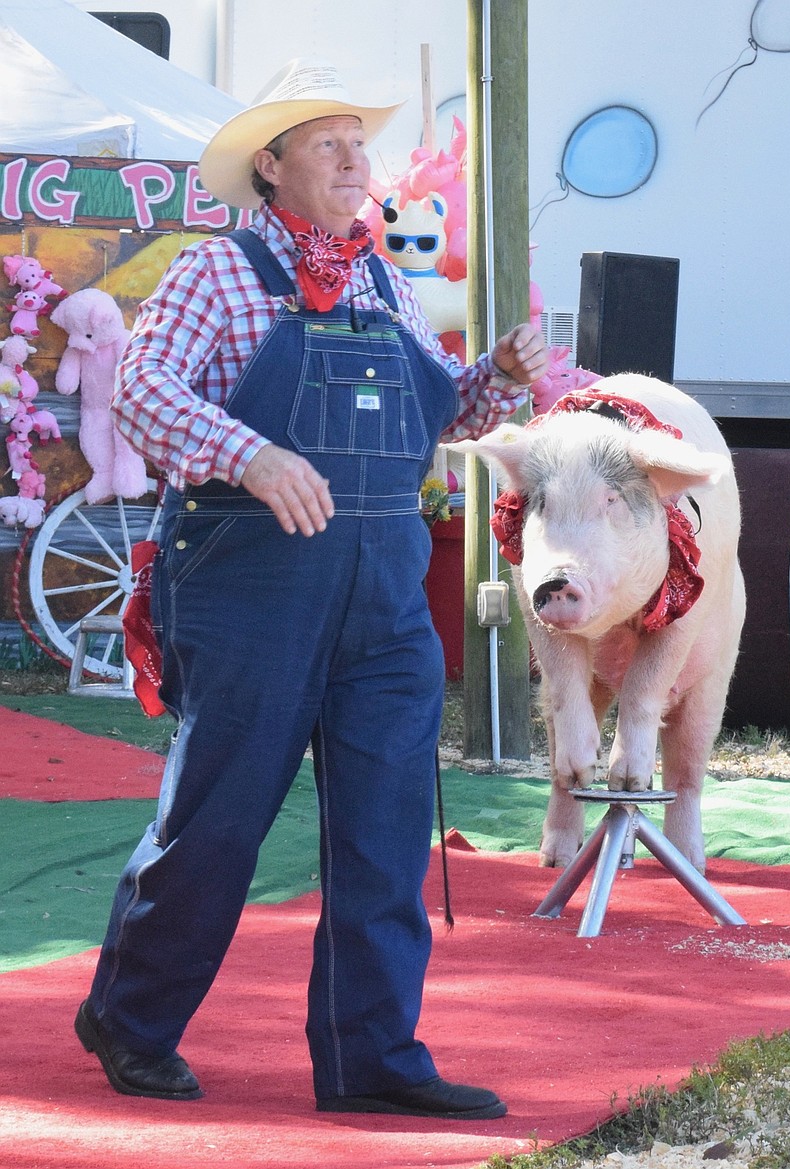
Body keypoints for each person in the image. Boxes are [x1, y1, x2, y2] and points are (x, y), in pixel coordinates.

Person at [74, 58, 548, 1120]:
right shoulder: (216, 271)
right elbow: (141, 389)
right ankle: (130, 1017)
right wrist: (249, 453)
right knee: (217, 821)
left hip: (382, 590)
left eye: (358, 143)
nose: (353, 161)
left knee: (384, 830)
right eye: (327, 143)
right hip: (250, 582)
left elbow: (436, 420)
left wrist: (496, 381)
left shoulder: (386, 281)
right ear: (271, 165)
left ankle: (372, 1053)